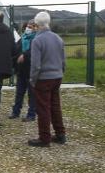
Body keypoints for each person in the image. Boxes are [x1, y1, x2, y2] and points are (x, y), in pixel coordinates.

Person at [28, 11, 66, 147]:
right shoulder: (58, 38)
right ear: (48, 22)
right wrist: (61, 73)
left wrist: (33, 80)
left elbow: (35, 65)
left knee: (43, 108)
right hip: (57, 76)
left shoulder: (37, 40)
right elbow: (63, 61)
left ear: (36, 25)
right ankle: (60, 134)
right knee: (55, 105)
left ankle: (44, 138)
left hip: (43, 78)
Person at [10, 20, 37, 121]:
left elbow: (34, 52)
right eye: (27, 26)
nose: (28, 29)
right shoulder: (22, 38)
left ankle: (31, 114)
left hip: (31, 70)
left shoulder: (36, 39)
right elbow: (15, 50)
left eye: (31, 27)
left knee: (32, 94)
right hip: (21, 70)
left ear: (35, 28)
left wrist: (24, 55)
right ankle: (16, 112)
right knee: (19, 93)